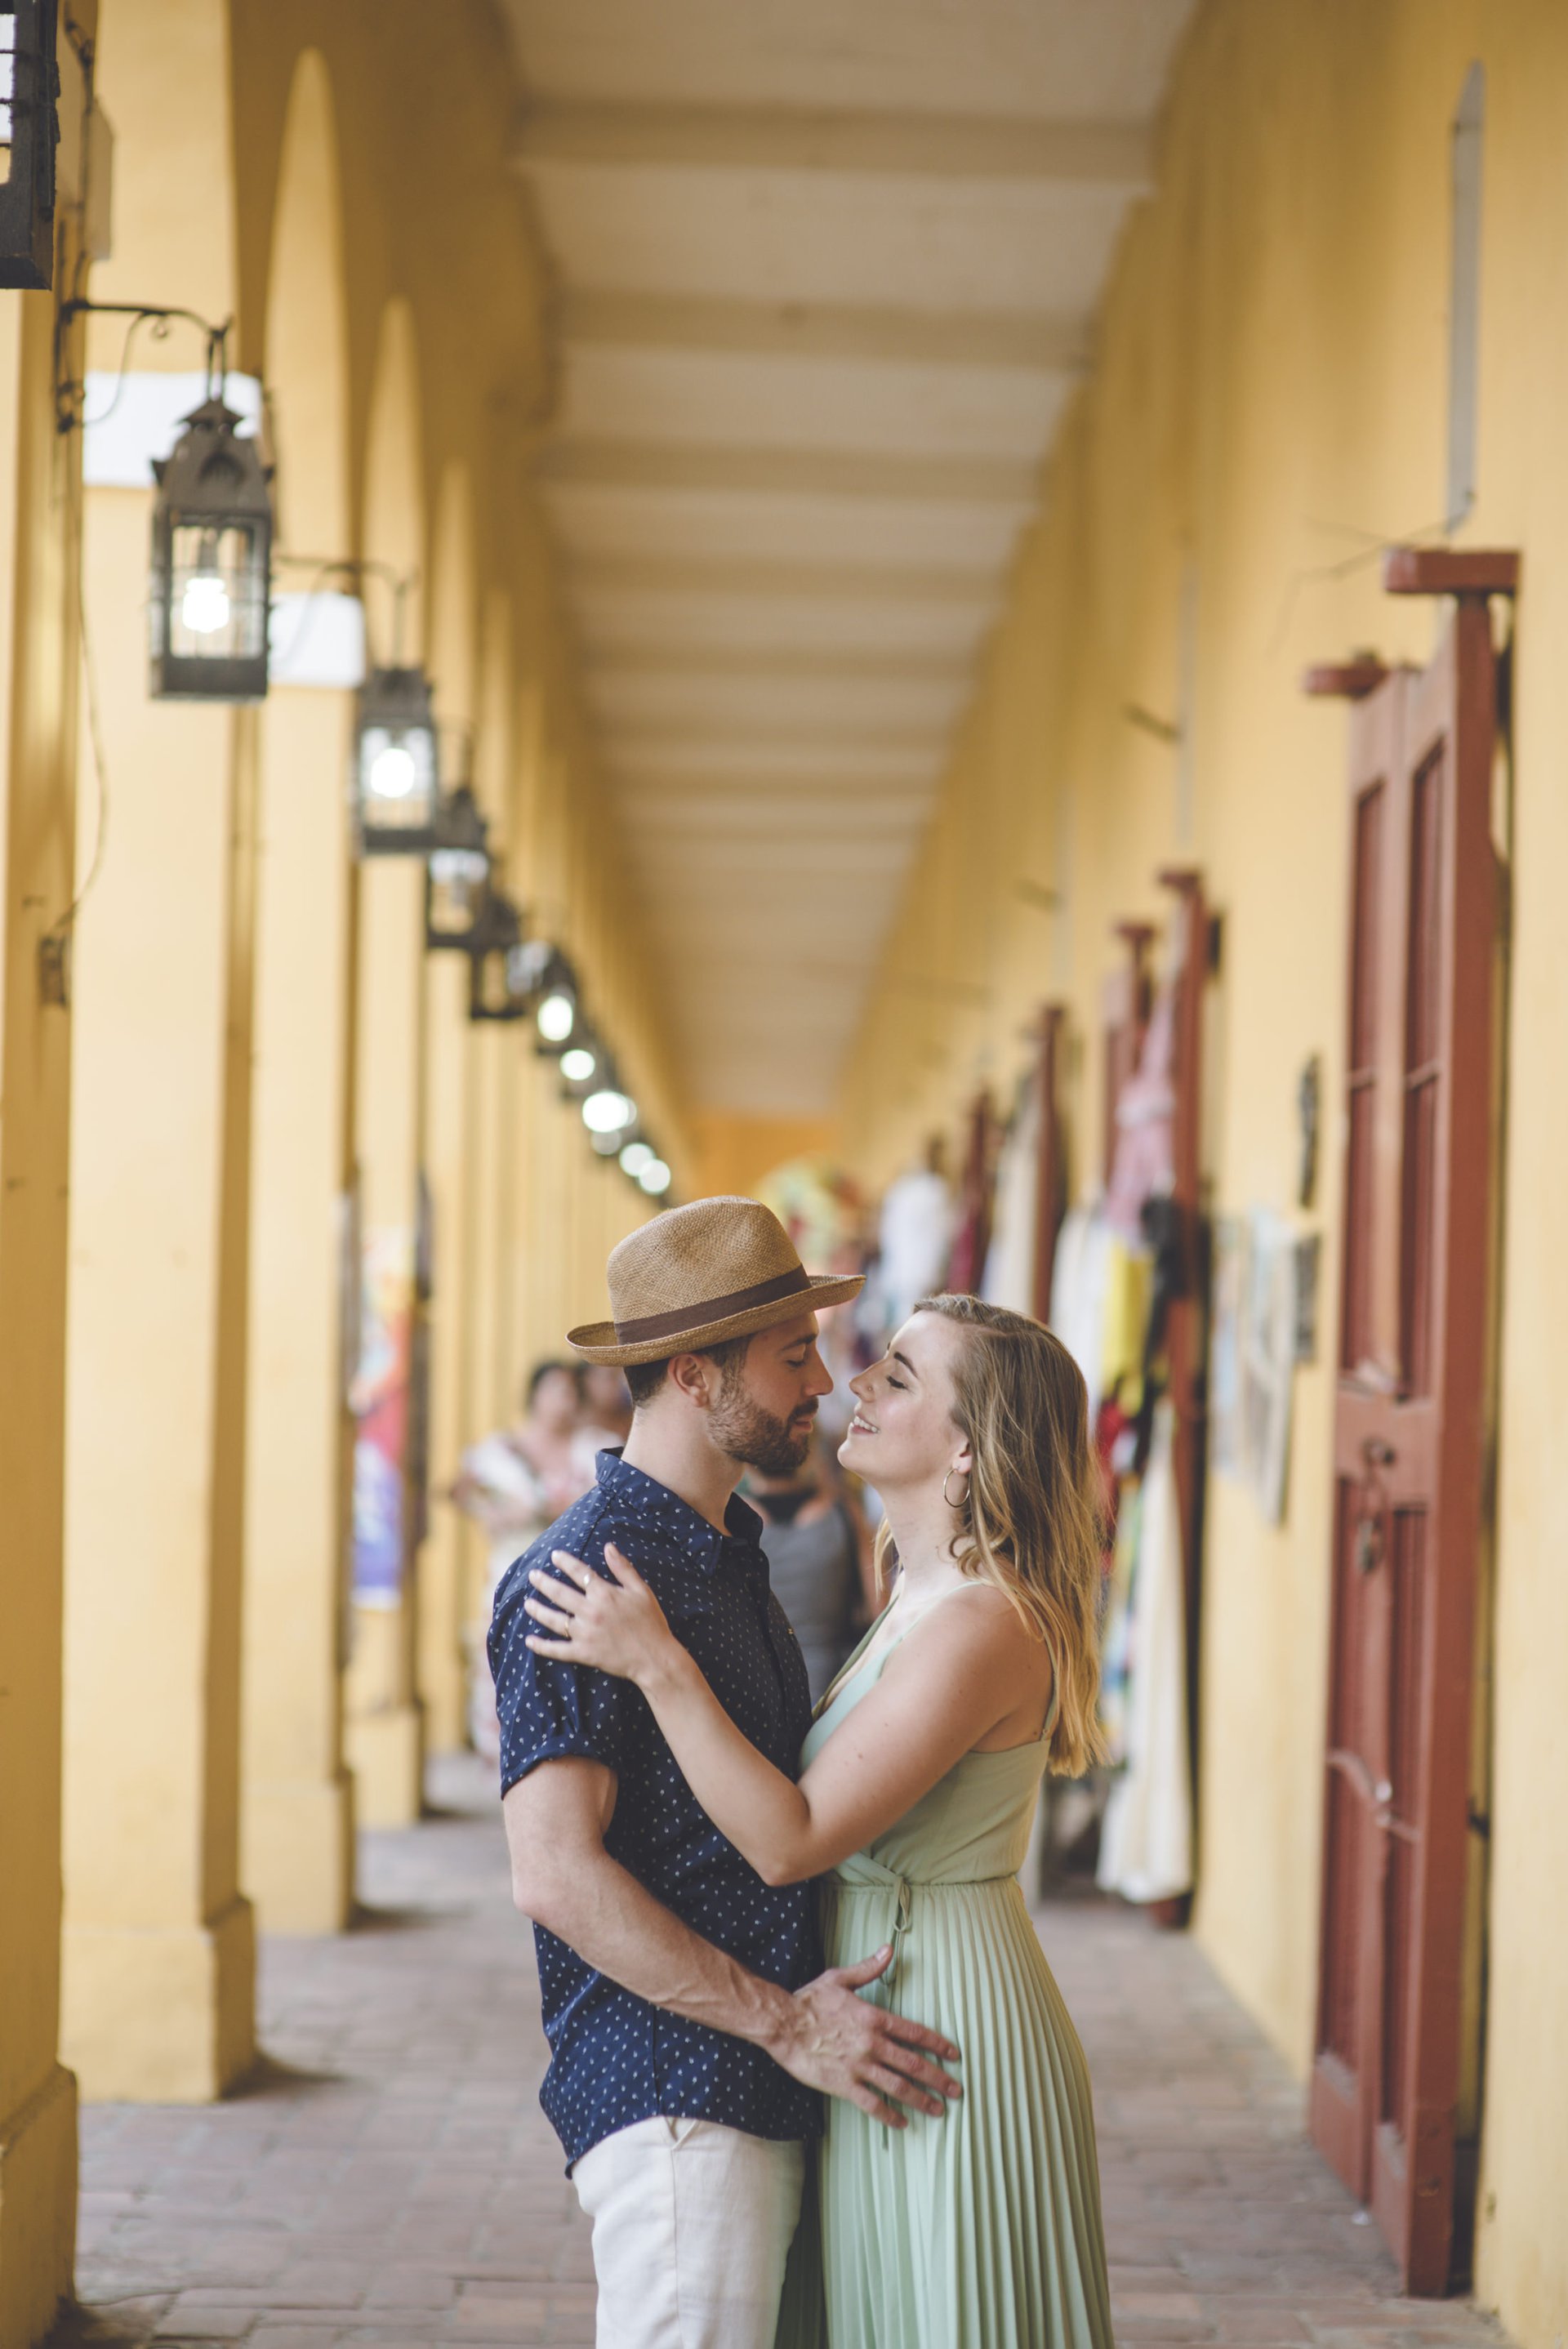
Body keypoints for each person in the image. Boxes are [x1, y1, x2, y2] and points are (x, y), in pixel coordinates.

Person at [526, 1291, 1116, 2349]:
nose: (851, 1385)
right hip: (873, 2018)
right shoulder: (917, 1596)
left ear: (972, 1448)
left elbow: (790, 1837)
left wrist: (659, 1665)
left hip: (938, 2020)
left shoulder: (982, 1621)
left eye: (898, 1377)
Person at [489, 1198, 965, 2349]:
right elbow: (555, 1875)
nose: (824, 1380)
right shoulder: (579, 1576)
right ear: (698, 1378)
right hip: (677, 2105)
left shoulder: (726, 1556)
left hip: (750, 2088)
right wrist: (785, 2027)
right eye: (794, 1354)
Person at [452, 1360, 600, 1761]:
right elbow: (463, 1492)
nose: (562, 1401)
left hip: (576, 1582)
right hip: (509, 1575)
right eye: (554, 1390)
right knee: (504, 1668)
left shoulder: (594, 1450)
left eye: (570, 1392)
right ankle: (505, 1760)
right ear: (533, 1394)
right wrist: (498, 1513)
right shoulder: (499, 1451)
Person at [743, 1437, 870, 1705]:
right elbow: (877, 1607)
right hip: (833, 1687)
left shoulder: (733, 1518)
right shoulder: (843, 1512)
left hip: (760, 1687)